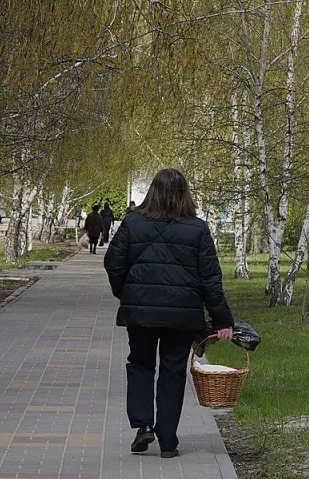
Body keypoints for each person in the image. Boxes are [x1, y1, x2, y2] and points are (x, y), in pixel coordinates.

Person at [104, 168, 235, 459]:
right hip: (182, 315)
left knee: (140, 363)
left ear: (153, 191)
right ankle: (168, 441)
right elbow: (210, 280)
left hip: (141, 312)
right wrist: (224, 320)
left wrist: (126, 294)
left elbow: (113, 263)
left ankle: (143, 426)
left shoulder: (133, 222)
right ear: (184, 194)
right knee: (173, 372)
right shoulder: (197, 228)